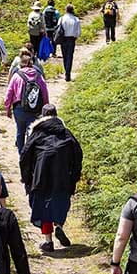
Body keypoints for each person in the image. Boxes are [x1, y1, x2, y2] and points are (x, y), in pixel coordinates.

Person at [20, 104, 83, 253]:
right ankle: (59, 226)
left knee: (43, 206)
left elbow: (25, 156)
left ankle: (48, 241)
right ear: (56, 115)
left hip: (41, 175)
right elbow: (78, 154)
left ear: (42, 116)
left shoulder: (36, 133)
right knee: (60, 200)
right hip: (62, 175)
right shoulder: (66, 133)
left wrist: (27, 178)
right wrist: (74, 176)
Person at [4, 52, 49, 154]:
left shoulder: (17, 76)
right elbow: (44, 91)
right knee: (32, 131)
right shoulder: (38, 75)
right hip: (35, 107)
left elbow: (9, 93)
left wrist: (7, 108)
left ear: (21, 64)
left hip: (19, 107)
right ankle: (30, 154)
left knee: (20, 132)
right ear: (31, 64)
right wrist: (46, 105)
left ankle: (21, 154)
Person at [54, 4, 81, 82]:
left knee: (64, 56)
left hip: (63, 39)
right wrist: (75, 36)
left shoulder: (61, 19)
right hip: (71, 39)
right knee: (70, 56)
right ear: (73, 10)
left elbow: (58, 29)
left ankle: (66, 71)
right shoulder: (76, 19)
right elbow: (78, 32)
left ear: (66, 10)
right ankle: (68, 73)